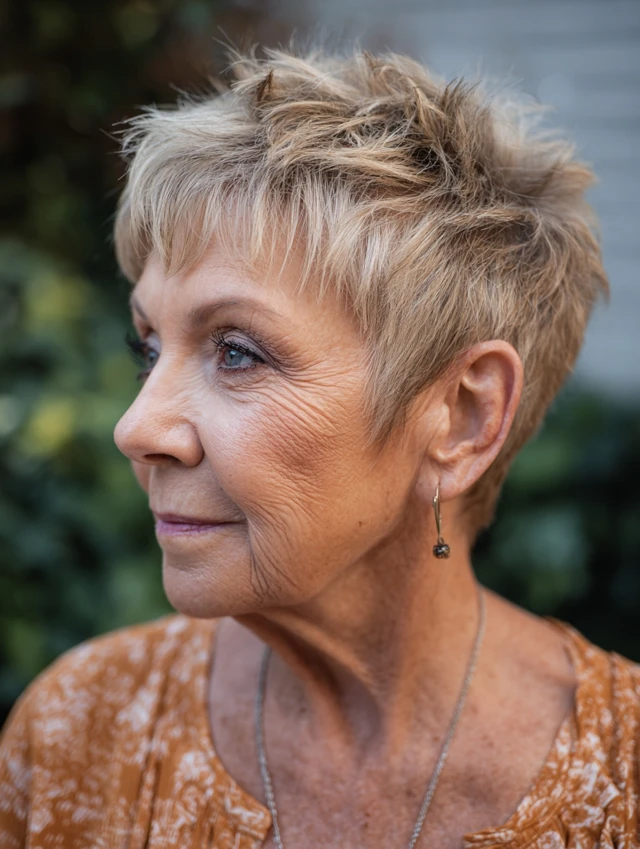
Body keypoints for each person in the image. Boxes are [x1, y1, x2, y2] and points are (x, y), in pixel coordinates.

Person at [1, 46, 637, 849]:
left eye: (237, 352)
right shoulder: (78, 735)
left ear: (461, 416)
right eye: (148, 347)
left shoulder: (621, 784)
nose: (136, 427)